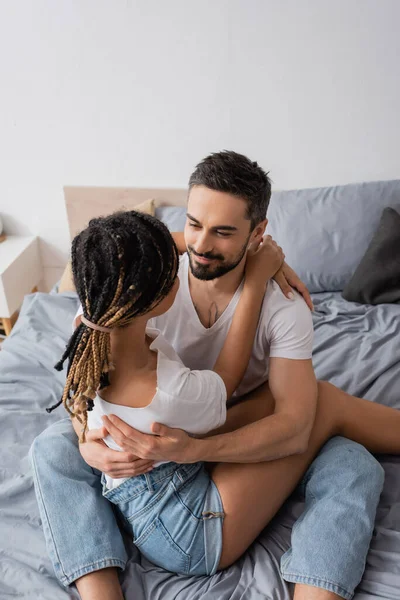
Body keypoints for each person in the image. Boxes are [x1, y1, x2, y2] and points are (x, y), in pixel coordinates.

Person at [30, 151, 400, 600]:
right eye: (194, 225)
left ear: (258, 233)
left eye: (224, 232)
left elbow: (291, 427)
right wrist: (88, 444)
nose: (202, 244)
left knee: (350, 460)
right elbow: (80, 379)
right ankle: (98, 587)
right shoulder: (140, 284)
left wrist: (196, 450)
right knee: (53, 444)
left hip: (225, 428)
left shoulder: (281, 307)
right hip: (165, 443)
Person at [42, 208, 284, 580]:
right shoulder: (170, 389)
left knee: (47, 446)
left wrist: (239, 246)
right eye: (174, 274)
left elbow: (117, 248)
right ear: (151, 297)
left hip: (133, 496)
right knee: (304, 412)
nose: (182, 273)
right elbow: (227, 380)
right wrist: (254, 281)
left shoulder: (87, 335)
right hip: (184, 535)